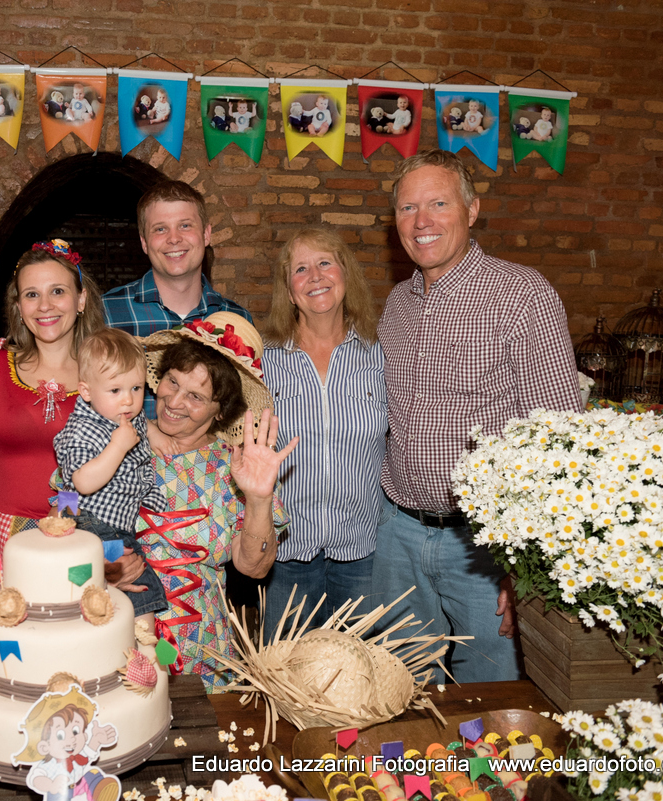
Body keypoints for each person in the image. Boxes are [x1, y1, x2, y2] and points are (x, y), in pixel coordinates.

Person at [372, 149, 581, 683]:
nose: (421, 222)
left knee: (489, 707)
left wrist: (529, 568)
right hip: (399, 536)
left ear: (472, 210)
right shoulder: (396, 304)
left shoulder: (521, 294)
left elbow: (558, 439)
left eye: (438, 203)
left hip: (485, 549)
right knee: (400, 697)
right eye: (406, 208)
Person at [139, 312, 297, 688]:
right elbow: (64, 509)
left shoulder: (233, 465)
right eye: (171, 382)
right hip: (118, 636)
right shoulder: (119, 440)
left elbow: (254, 568)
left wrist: (258, 498)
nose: (174, 401)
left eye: (195, 396)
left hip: (201, 648)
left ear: (221, 411)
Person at [0, 239, 106, 635]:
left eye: (57, 291)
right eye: (32, 294)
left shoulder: (108, 371)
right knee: (2, 650)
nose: (45, 305)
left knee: (71, 645)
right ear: (19, 306)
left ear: (80, 299)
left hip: (84, 533)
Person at [259, 228, 386, 640]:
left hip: (363, 553)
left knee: (363, 684)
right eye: (301, 269)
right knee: (284, 680)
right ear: (289, 291)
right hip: (286, 555)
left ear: (345, 274)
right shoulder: (264, 361)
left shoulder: (379, 353)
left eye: (325, 263)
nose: (315, 276)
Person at [103, 180, 250, 417]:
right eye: (160, 229)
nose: (173, 238)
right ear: (144, 242)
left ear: (206, 234)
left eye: (185, 225)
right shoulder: (106, 313)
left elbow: (243, 412)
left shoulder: (238, 320)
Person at [53, 327, 168, 621]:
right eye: (116, 390)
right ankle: (146, 653)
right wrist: (117, 446)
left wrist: (155, 436)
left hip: (116, 525)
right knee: (143, 590)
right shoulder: (82, 428)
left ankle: (137, 650)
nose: (128, 400)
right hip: (89, 522)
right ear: (87, 391)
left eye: (137, 388)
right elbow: (82, 481)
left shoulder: (126, 415)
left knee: (129, 593)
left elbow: (143, 437)